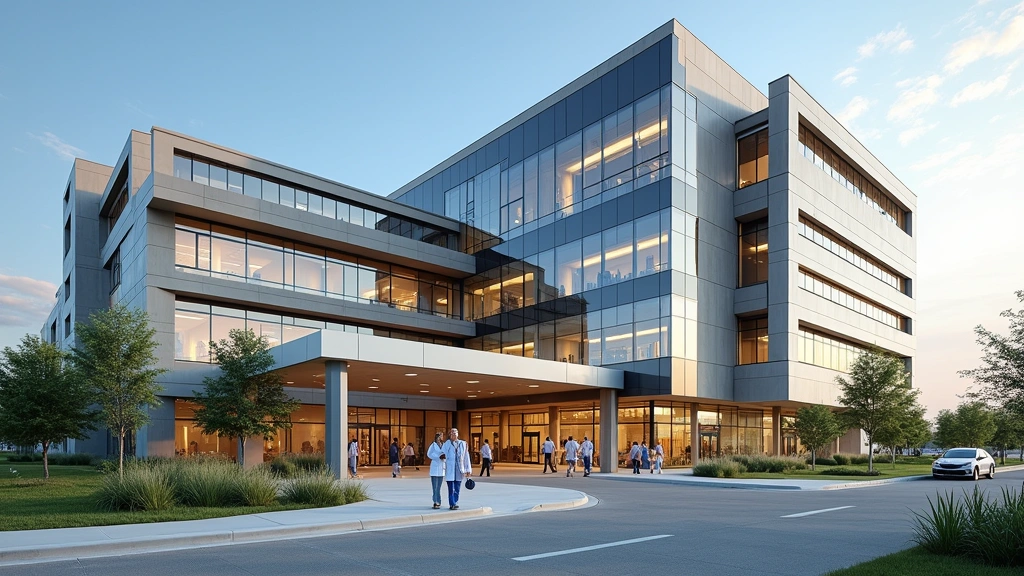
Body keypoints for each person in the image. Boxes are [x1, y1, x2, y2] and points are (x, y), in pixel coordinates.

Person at [441, 428, 472, 509]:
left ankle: (455, 502)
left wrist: (468, 469)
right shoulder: (446, 444)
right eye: (452, 433)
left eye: (455, 433)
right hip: (450, 469)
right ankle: (452, 503)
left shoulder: (463, 444)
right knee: (451, 488)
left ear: (458, 434)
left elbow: (466, 457)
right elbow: (442, 454)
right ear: (449, 435)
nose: (453, 435)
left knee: (457, 487)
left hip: (459, 469)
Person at [426, 432, 445, 509]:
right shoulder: (433, 445)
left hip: (441, 467)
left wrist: (444, 457)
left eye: (442, 436)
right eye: (440, 436)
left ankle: (439, 501)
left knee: (439, 487)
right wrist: (437, 457)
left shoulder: (444, 445)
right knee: (435, 487)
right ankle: (435, 501)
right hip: (435, 466)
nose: (441, 438)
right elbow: (429, 454)